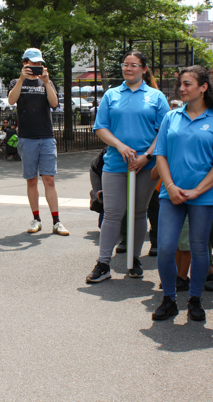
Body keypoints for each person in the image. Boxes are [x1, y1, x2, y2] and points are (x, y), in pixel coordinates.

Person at [151, 65, 213, 321]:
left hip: (204, 197)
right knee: (165, 248)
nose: (181, 89)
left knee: (198, 249)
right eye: (180, 84)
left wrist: (197, 190)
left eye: (187, 84)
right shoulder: (171, 117)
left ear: (203, 87)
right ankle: (169, 299)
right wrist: (171, 187)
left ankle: (195, 299)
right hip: (171, 195)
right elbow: (160, 154)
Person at [85, 51, 168, 283]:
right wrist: (120, 146)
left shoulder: (156, 96)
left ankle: (134, 259)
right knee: (112, 212)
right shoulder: (111, 95)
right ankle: (103, 263)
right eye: (125, 65)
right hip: (114, 164)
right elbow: (101, 127)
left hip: (145, 165)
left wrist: (147, 156)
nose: (128, 68)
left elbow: (165, 131)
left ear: (144, 69)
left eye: (134, 65)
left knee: (139, 212)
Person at [8, 47, 69, 236]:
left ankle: (57, 221)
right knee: (32, 180)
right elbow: (11, 100)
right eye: (32, 63)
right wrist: (20, 79)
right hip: (27, 137)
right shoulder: (16, 81)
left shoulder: (46, 82)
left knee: (49, 179)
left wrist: (46, 82)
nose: (36, 66)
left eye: (38, 63)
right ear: (24, 63)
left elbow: (54, 103)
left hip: (46, 136)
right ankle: (36, 218)